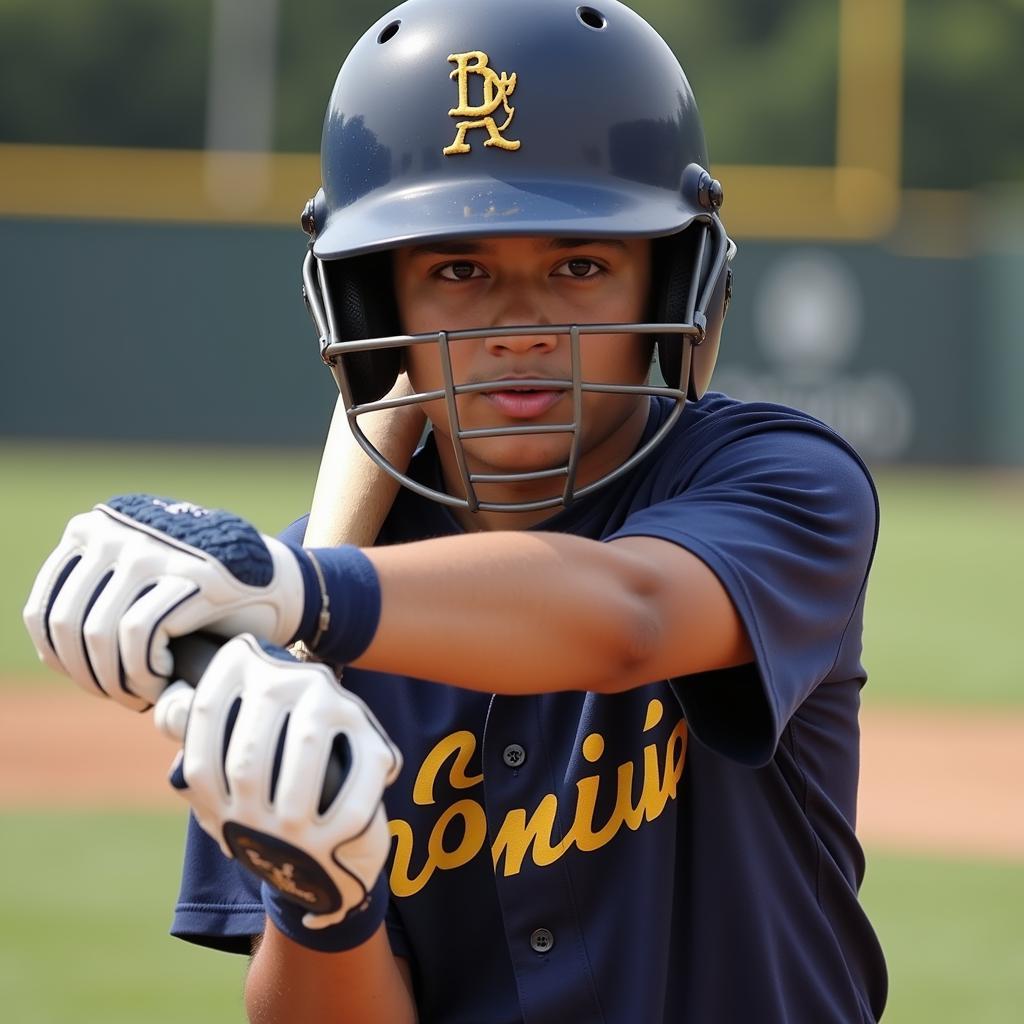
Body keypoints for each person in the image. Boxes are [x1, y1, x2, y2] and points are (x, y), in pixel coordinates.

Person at [23, 0, 889, 1021]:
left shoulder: (776, 478)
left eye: (579, 264)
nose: (519, 321)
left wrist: (300, 591)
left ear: (676, 280)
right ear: (375, 306)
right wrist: (324, 896)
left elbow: (631, 614)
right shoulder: (285, 636)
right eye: (457, 270)